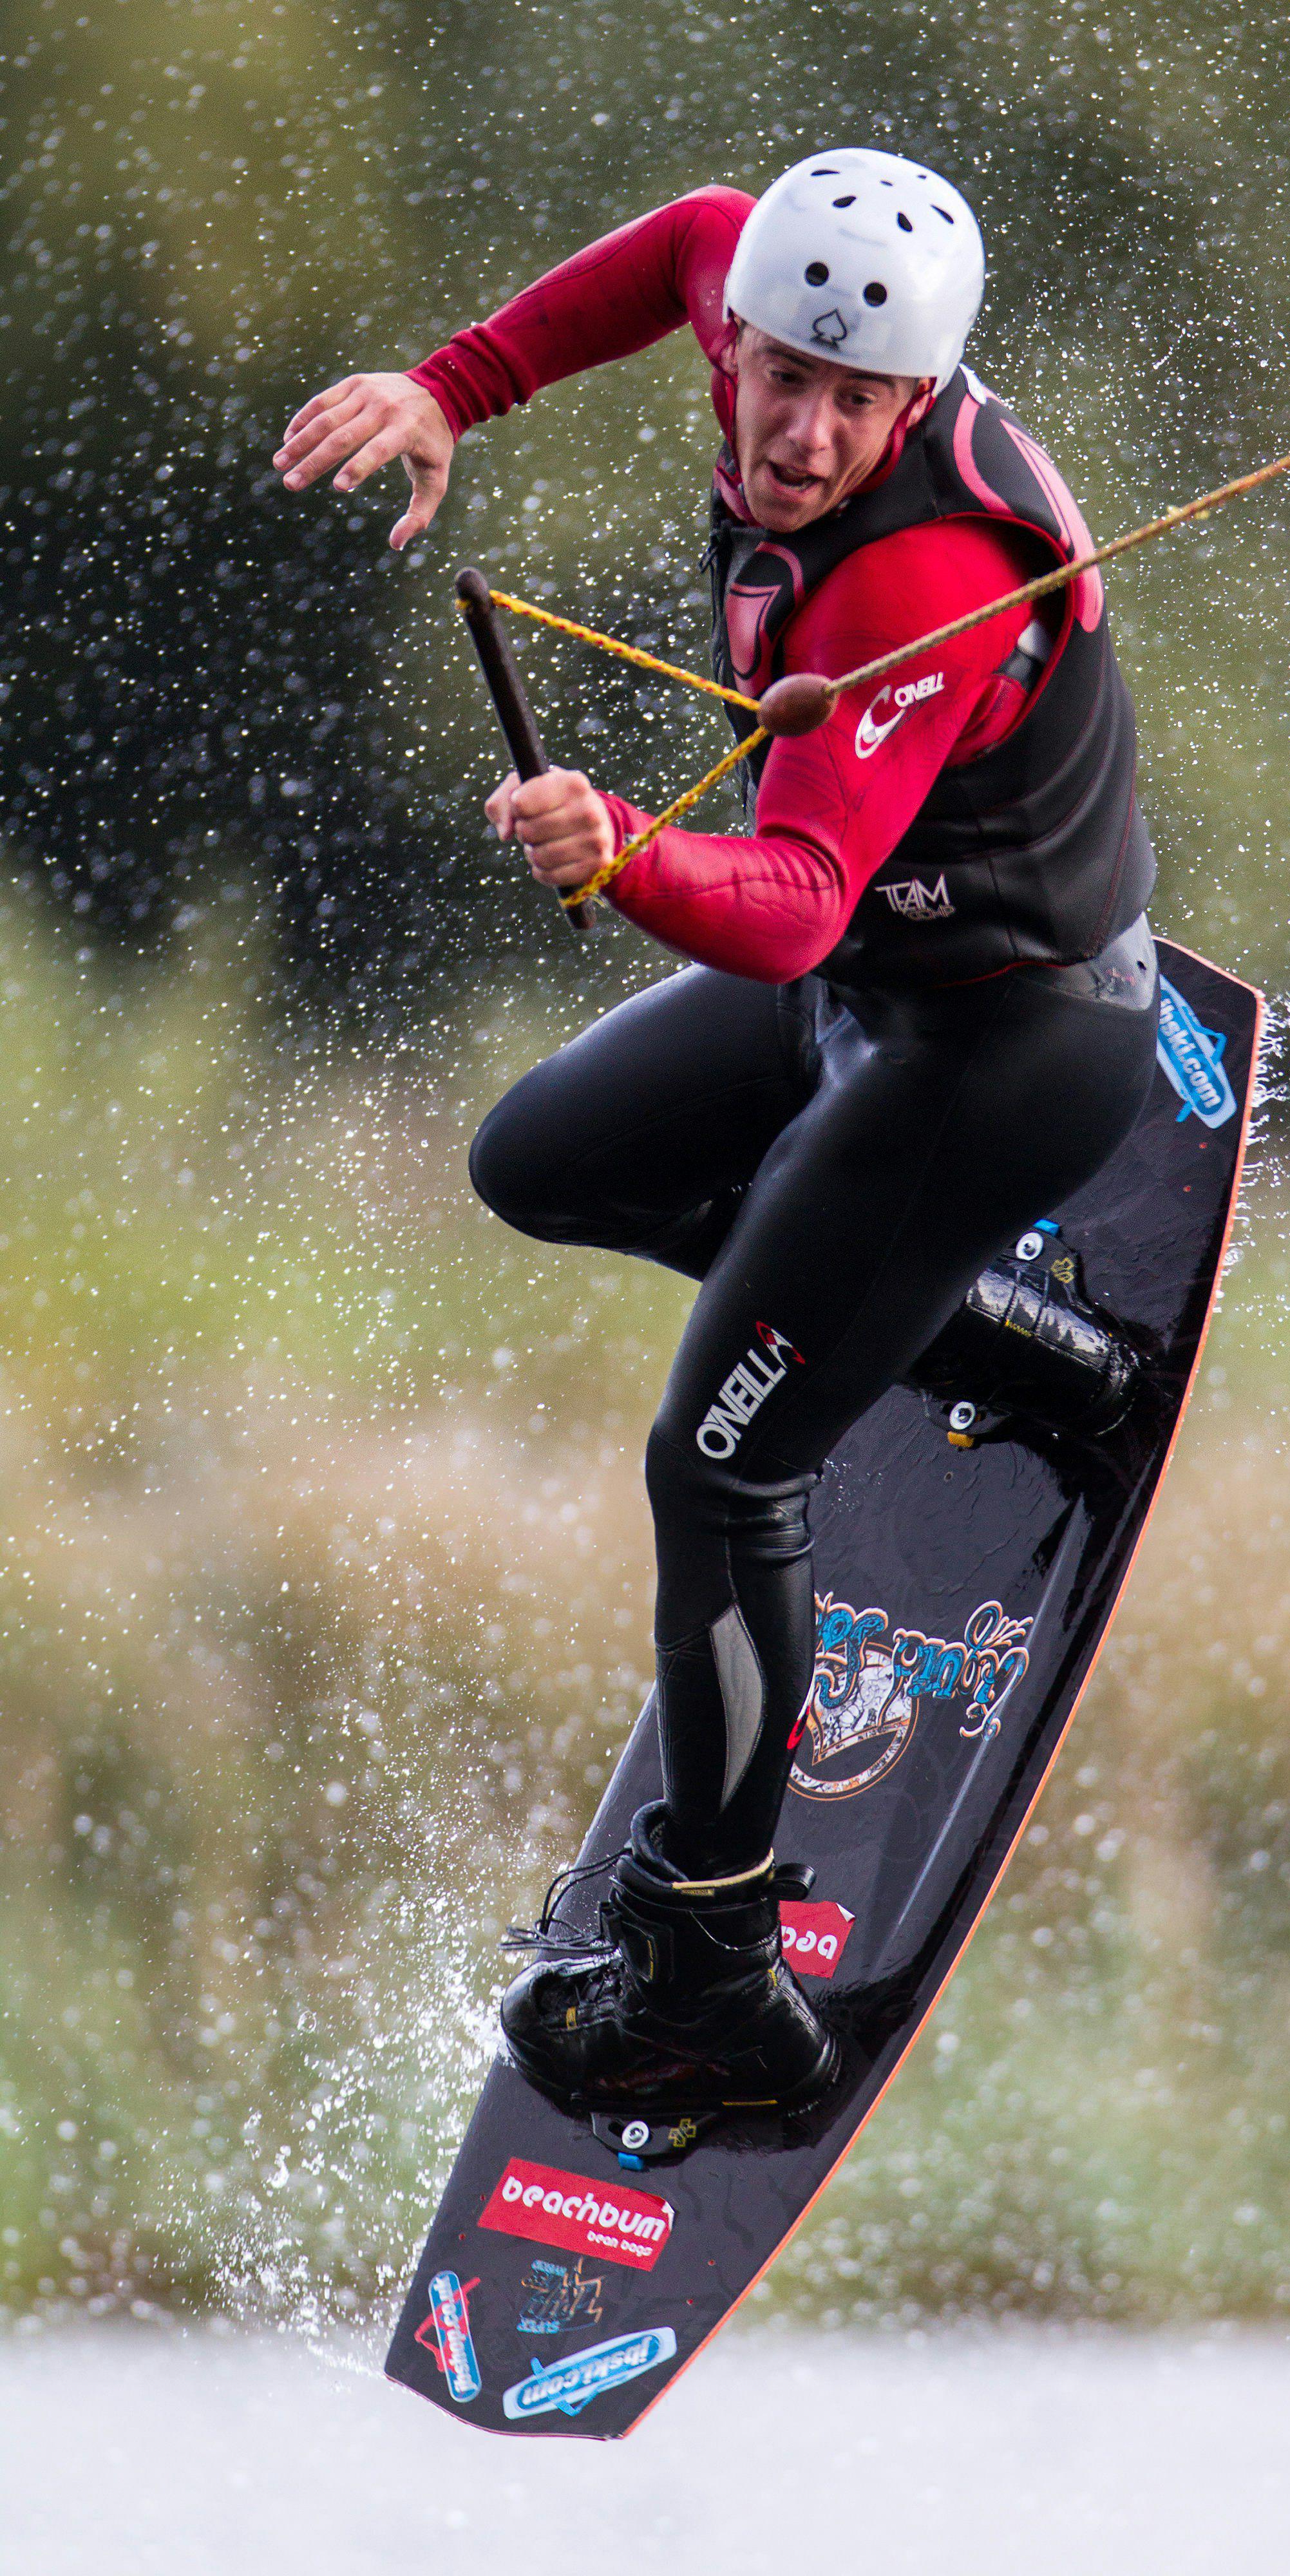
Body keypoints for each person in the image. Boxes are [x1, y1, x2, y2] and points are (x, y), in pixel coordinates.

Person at [274, 148, 1159, 2125]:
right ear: (740, 343)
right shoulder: (740, 289)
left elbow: (798, 902)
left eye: (857, 405)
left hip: (1004, 1044)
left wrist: (630, 850)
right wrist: (457, 383)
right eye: (780, 378)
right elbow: (680, 231)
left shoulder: (927, 567)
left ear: (917, 402)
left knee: (720, 1462)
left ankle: (715, 1975)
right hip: (867, 1005)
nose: (804, 429)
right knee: (546, 1162)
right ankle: (1015, 1346)